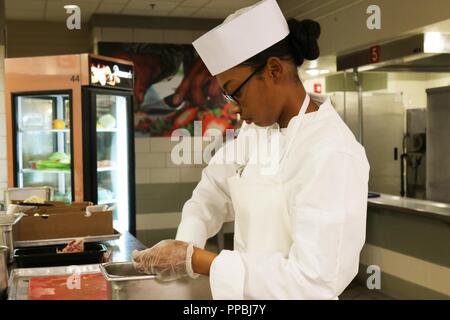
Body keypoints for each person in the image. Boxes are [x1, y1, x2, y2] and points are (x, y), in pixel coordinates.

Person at [132, 0, 370, 300]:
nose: (234, 107)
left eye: (236, 91)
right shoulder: (256, 132)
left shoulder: (333, 152)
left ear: (273, 70)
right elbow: (210, 192)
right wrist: (183, 248)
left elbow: (313, 283)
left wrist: (195, 259)